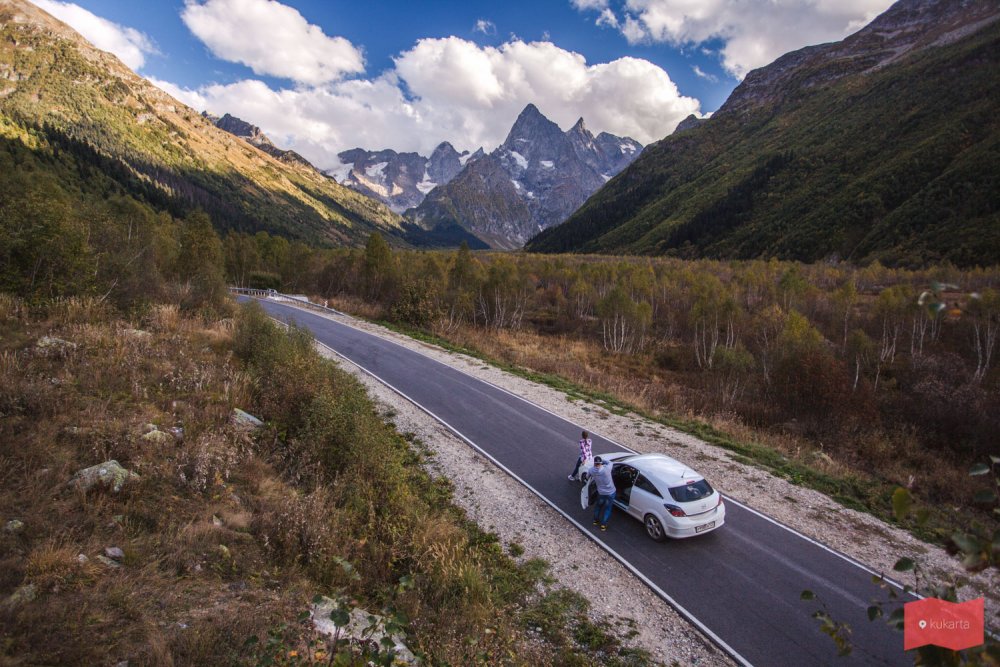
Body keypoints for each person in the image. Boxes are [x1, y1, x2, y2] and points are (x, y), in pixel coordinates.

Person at [588, 456, 616, 531]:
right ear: (600, 463)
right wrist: (603, 461)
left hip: (601, 493)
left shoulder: (591, 470)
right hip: (611, 492)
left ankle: (595, 521)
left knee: (598, 506)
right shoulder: (607, 469)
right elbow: (610, 462)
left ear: (594, 463)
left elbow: (588, 477)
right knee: (607, 508)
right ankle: (603, 525)